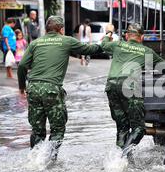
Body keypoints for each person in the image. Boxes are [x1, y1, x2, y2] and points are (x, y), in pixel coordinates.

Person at [18, 16, 104, 161]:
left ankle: (34, 160)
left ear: (46, 29)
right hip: (52, 89)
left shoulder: (36, 43)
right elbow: (90, 49)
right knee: (57, 129)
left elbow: (22, 66)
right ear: (61, 29)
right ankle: (49, 160)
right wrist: (105, 42)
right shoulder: (66, 41)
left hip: (33, 88)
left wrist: (21, 87)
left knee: (37, 130)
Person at [101, 23, 165, 158]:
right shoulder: (147, 51)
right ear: (142, 37)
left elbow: (103, 44)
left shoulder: (117, 45)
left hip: (111, 86)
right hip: (130, 87)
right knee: (139, 128)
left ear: (127, 36)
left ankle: (118, 158)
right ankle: (122, 157)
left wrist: (109, 33)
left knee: (122, 127)